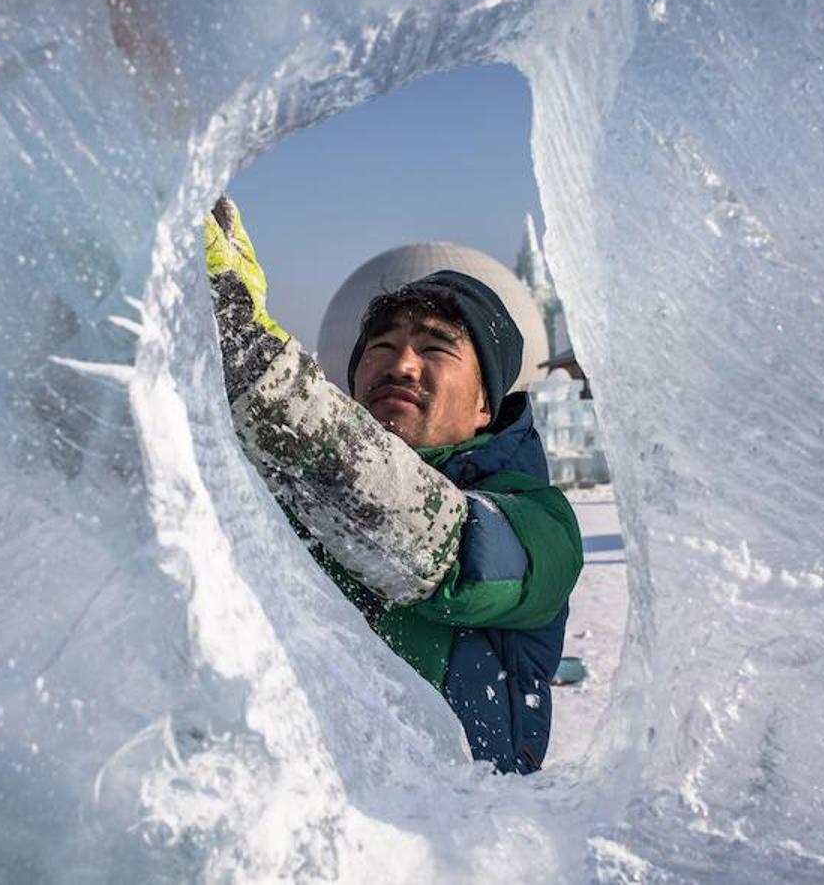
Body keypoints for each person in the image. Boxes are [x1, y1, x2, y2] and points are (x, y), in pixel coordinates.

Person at [204, 196, 582, 774]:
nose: (401, 363)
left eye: (435, 348)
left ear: (487, 403)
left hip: (448, 849)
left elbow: (444, 550)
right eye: (381, 347)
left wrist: (256, 368)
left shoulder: (541, 525)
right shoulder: (285, 504)